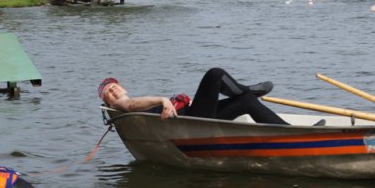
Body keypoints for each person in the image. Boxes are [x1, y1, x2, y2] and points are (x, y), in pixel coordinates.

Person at [98, 67, 288, 124]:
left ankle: (288, 131)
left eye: (114, 87)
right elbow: (130, 105)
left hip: (195, 118)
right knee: (214, 74)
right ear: (108, 101)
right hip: (192, 121)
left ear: (123, 87)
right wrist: (163, 100)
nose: (113, 90)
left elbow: (134, 103)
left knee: (246, 101)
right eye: (109, 92)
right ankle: (247, 89)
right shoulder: (120, 105)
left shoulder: (134, 100)